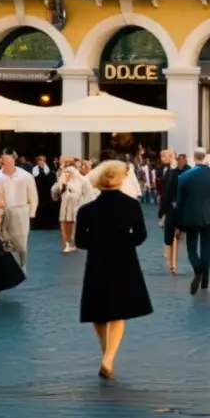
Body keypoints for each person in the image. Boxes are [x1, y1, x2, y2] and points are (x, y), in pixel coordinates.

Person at [75, 161, 153, 380]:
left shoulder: (87, 209)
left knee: (98, 313)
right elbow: (140, 235)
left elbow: (80, 241)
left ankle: (106, 355)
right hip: (124, 260)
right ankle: (108, 358)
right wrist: (123, 240)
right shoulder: (131, 205)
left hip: (97, 261)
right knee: (118, 313)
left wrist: (99, 241)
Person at [176, 148, 210, 295]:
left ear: (194, 158)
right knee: (206, 248)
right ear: (206, 158)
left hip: (190, 216)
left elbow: (180, 202)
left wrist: (178, 224)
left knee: (191, 248)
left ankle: (198, 270)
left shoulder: (184, 177)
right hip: (208, 215)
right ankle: (205, 281)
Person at [0, 150, 38, 272]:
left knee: (21, 242)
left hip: (21, 210)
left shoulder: (25, 176)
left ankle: (23, 264)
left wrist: (31, 213)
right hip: (3, 211)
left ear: (13, 161)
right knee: (4, 241)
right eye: (3, 161)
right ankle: (9, 269)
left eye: (8, 161)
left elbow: (33, 196)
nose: (6, 164)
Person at [52, 158, 95, 253]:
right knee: (64, 222)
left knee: (74, 223)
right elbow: (57, 189)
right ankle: (66, 243)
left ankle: (73, 243)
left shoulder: (83, 180)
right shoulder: (63, 177)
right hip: (65, 202)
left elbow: (89, 195)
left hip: (77, 204)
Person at [158, 149, 183, 274]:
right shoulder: (169, 169)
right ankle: (172, 261)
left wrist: (162, 211)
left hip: (172, 206)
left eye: (164, 156)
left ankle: (172, 262)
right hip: (173, 205)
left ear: (171, 156)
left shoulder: (172, 171)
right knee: (173, 234)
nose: (162, 158)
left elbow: (168, 192)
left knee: (172, 234)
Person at [31, 155, 59, 230]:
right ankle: (38, 225)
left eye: (43, 160)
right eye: (40, 160)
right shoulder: (33, 170)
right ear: (37, 161)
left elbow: (51, 180)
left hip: (47, 193)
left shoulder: (49, 171)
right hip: (38, 193)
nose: (41, 162)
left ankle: (48, 225)